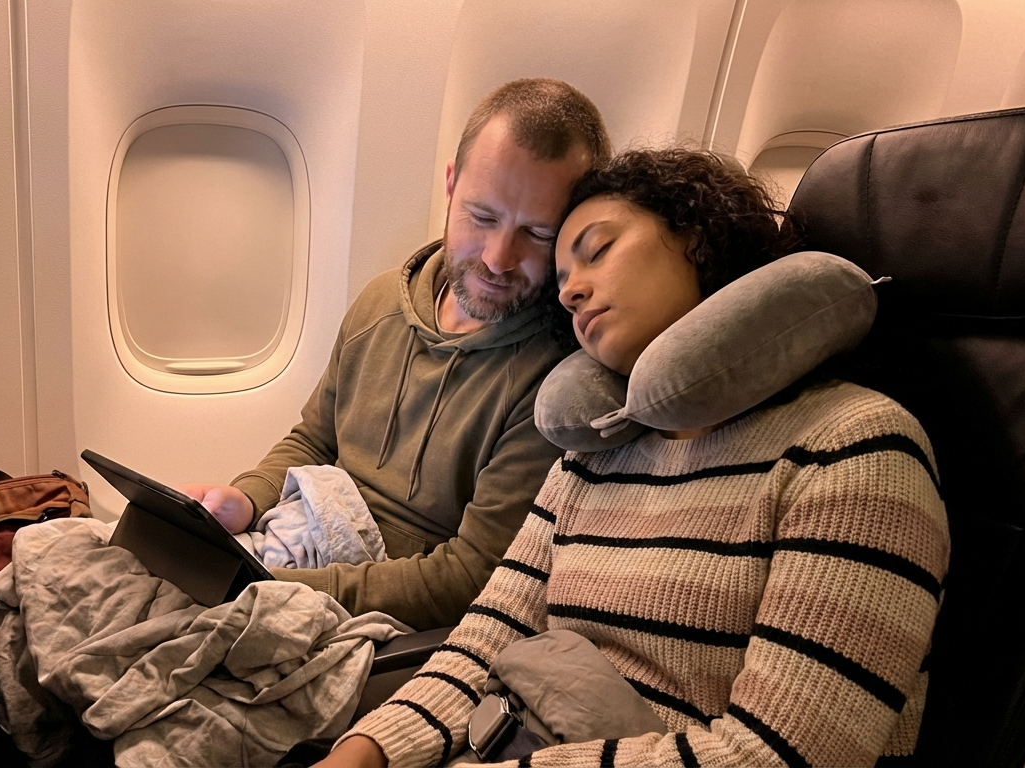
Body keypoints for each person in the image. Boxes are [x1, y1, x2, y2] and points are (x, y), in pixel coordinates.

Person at [323, 148, 949, 766]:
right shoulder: (592, 457)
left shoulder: (854, 449)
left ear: (697, 235)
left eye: (596, 251)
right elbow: (485, 640)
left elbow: (783, 754)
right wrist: (367, 752)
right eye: (563, 279)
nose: (571, 293)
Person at [176, 79, 613, 631]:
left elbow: (469, 577)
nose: (500, 258)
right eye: (482, 217)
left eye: (538, 232)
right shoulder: (382, 302)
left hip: (389, 615)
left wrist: (262, 585)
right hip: (298, 545)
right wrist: (242, 499)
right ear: (451, 186)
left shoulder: (553, 381)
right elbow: (315, 439)